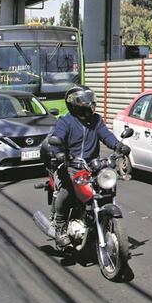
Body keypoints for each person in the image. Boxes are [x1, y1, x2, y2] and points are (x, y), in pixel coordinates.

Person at [48, 87, 129, 246]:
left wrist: (118, 146)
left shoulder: (96, 120)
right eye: (85, 100)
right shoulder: (66, 122)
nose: (90, 103)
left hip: (92, 165)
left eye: (91, 99)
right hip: (71, 165)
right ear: (74, 103)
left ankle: (98, 218)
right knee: (66, 191)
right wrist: (59, 154)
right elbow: (57, 138)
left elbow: (106, 135)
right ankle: (60, 227)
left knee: (105, 189)